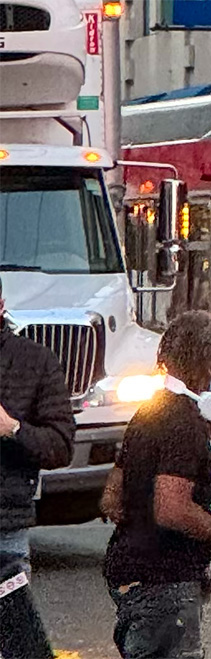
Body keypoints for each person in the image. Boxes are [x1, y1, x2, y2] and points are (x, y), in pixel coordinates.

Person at [100, 311, 211, 659]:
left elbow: (112, 499)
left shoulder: (149, 413)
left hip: (142, 579)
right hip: (165, 586)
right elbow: (172, 508)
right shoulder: (183, 422)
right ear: (204, 361)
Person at [0, 276, 75, 659]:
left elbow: (61, 446)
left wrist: (12, 428)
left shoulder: (35, 361)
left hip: (5, 529)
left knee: (17, 647)